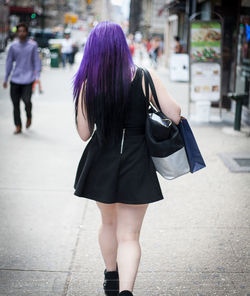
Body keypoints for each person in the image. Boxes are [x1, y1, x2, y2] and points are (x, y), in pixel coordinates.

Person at [73, 22, 181, 296]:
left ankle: (111, 279)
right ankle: (126, 292)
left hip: (101, 161)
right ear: (123, 46)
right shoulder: (144, 77)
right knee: (130, 235)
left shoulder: (88, 83)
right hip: (137, 160)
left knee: (108, 224)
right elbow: (176, 114)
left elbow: (84, 133)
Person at [3, 22, 41, 134]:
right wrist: (6, 78)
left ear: (27, 32)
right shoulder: (13, 46)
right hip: (15, 79)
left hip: (28, 79)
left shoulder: (32, 45)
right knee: (15, 104)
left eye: (23, 31)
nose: (21, 33)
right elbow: (9, 63)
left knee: (27, 100)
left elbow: (37, 62)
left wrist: (37, 76)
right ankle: (18, 125)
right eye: (19, 31)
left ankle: (29, 116)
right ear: (17, 32)